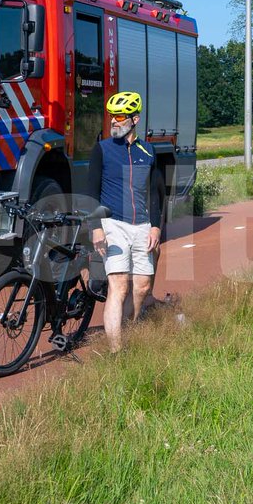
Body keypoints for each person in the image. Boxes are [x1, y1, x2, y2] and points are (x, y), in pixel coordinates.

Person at [84, 91, 165, 353]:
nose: (113, 121)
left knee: (141, 288)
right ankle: (116, 351)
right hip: (113, 223)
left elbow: (155, 193)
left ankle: (128, 332)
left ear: (135, 119)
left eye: (119, 117)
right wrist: (96, 227)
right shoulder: (103, 149)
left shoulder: (148, 151)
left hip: (142, 225)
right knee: (119, 286)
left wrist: (155, 226)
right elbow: (90, 191)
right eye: (112, 116)